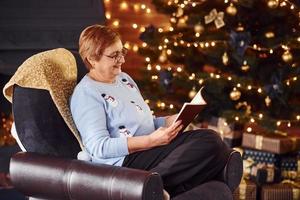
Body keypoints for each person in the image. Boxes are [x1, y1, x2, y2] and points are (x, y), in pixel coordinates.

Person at [70, 24, 240, 199]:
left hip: (151, 146)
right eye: (114, 55)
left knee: (215, 144)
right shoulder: (87, 93)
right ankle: (144, 187)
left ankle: (162, 189)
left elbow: (146, 121)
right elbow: (99, 147)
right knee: (209, 141)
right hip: (126, 160)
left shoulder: (123, 79)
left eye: (122, 52)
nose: (122, 60)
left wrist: (169, 121)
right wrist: (150, 141)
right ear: (92, 59)